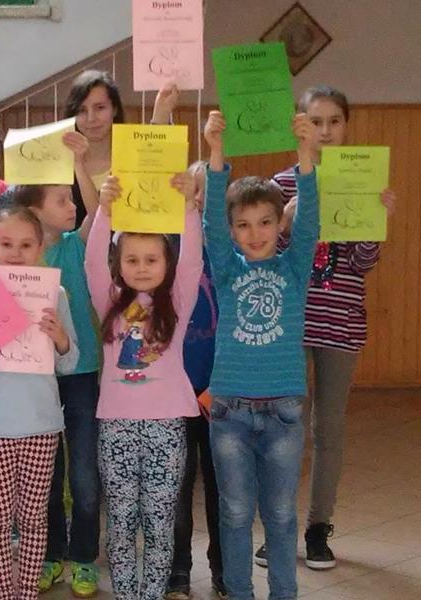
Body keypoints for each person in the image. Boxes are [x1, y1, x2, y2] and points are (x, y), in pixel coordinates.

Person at [254, 85, 397, 571]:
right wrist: (286, 222)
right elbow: (262, 259)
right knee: (283, 429)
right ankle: (278, 528)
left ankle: (318, 529)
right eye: (316, 121)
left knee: (328, 430)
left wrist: (376, 220)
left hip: (341, 325)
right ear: (299, 124)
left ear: (346, 126)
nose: (326, 131)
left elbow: (362, 264)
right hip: (289, 326)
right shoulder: (278, 185)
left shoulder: (361, 179)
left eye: (335, 121)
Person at [202, 109, 318, 600]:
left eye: (265, 222)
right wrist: (216, 152)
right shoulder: (227, 269)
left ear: (279, 223)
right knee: (233, 512)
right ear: (232, 230)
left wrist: (306, 154)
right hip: (230, 411)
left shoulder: (294, 268)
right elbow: (211, 222)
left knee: (282, 514)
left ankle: (283, 594)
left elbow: (309, 222)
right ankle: (239, 593)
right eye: (244, 225)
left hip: (284, 412)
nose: (255, 233)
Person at [84, 170, 203, 599]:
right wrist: (104, 211)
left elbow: (193, 263)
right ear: (119, 265)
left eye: (151, 260)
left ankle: (151, 594)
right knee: (119, 521)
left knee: (159, 520)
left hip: (166, 426)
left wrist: (188, 208)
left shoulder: (178, 303)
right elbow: (91, 263)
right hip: (116, 426)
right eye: (132, 260)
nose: (141, 267)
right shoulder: (109, 302)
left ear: (166, 264)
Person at [0, 206, 79, 600]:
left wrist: (59, 338)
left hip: (41, 424)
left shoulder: (55, 294)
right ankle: (4, 594)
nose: (16, 252)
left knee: (35, 519)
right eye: (6, 244)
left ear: (41, 248)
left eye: (26, 245)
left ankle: (27, 594)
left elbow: (70, 362)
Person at [11, 130, 100, 596]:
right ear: (34, 209)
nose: (72, 207)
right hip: (34, 378)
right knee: (45, 474)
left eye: (71, 198)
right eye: (61, 200)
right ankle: (49, 554)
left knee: (84, 473)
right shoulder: (16, 256)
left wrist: (80, 164)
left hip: (80, 373)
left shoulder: (74, 245)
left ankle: (84, 557)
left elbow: (97, 214)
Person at [164, 160, 227, 600]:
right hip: (176, 392)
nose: (201, 198)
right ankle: (178, 570)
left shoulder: (233, 253)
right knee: (178, 486)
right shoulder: (166, 250)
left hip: (221, 392)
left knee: (222, 487)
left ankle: (223, 568)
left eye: (211, 189)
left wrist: (218, 383)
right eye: (194, 188)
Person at [63, 70, 125, 224]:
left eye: (100, 108)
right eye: (82, 111)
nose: (91, 118)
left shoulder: (132, 157)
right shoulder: (59, 163)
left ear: (115, 109)